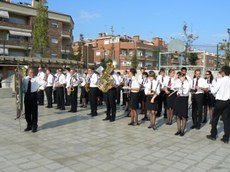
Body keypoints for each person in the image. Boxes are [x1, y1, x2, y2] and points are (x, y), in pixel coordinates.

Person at [207, 66, 230, 144]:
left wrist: (210, 87)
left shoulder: (220, 80)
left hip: (219, 102)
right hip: (228, 102)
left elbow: (213, 91)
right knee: (226, 120)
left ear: (223, 72)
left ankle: (213, 135)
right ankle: (226, 138)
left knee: (214, 119)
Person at [22, 68, 40, 133]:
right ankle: (29, 125)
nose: (32, 74)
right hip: (27, 95)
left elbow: (44, 83)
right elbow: (23, 87)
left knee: (34, 111)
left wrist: (39, 88)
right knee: (27, 112)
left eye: (33, 72)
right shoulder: (25, 79)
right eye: (30, 72)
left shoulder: (36, 78)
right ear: (27, 73)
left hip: (34, 95)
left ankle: (34, 125)